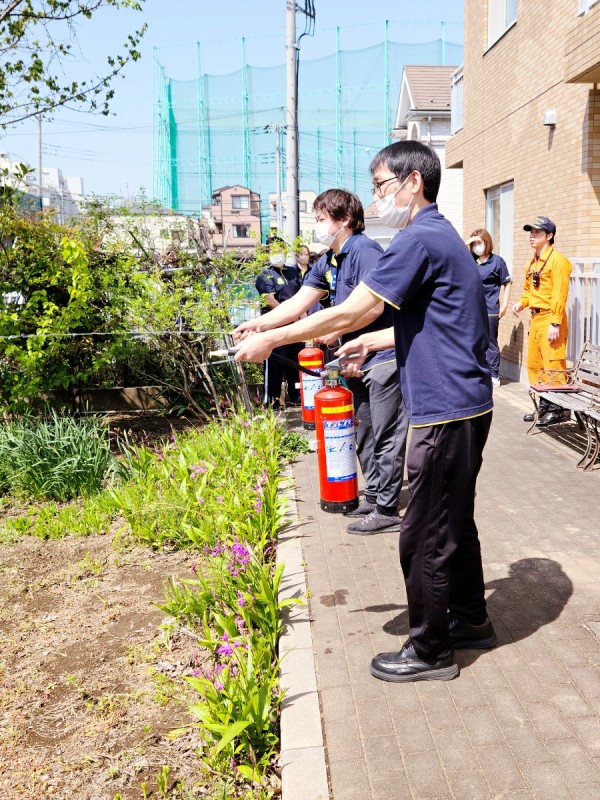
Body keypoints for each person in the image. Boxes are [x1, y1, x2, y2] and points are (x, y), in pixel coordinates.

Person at [234, 141, 496, 682]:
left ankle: (430, 651)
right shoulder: (440, 235)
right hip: (464, 403)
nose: (376, 199)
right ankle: (470, 618)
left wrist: (274, 337)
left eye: (381, 186)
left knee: (424, 532)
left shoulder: (418, 239)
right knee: (453, 519)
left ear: (413, 182)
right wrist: (374, 343)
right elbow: (439, 323)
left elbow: (355, 310)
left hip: (445, 409)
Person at [235, 188, 408, 535]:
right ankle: (375, 496)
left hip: (382, 356)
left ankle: (388, 509)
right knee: (364, 430)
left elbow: (374, 307)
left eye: (321, 219)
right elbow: (297, 303)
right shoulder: (328, 259)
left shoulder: (365, 252)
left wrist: (335, 330)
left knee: (386, 432)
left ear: (344, 219)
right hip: (354, 358)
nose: (317, 226)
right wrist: (260, 325)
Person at [512, 216, 572, 427]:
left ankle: (558, 409)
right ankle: (544, 406)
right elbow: (529, 291)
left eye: (537, 232)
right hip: (536, 319)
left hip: (550, 318)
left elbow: (559, 294)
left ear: (549, 235)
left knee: (553, 364)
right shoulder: (532, 263)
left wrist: (555, 322)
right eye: (531, 232)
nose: (532, 236)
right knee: (535, 365)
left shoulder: (558, 261)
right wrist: (522, 303)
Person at [255, 246, 302, 408]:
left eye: (279, 251)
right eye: (272, 252)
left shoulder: (293, 272)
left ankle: (297, 397)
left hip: (295, 326)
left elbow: (301, 295)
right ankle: (272, 400)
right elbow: (269, 300)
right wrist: (289, 315)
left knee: (295, 362)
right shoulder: (265, 274)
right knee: (275, 363)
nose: (276, 255)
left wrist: (300, 316)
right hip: (276, 326)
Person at [465, 229, 512, 387]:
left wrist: (504, 305)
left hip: (491, 310)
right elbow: (457, 256)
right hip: (474, 310)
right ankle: (479, 373)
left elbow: (507, 283)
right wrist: (468, 242)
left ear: (487, 242)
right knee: (474, 342)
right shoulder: (471, 262)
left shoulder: (497, 261)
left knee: (490, 343)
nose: (476, 246)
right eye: (474, 244)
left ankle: (493, 375)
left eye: (479, 242)